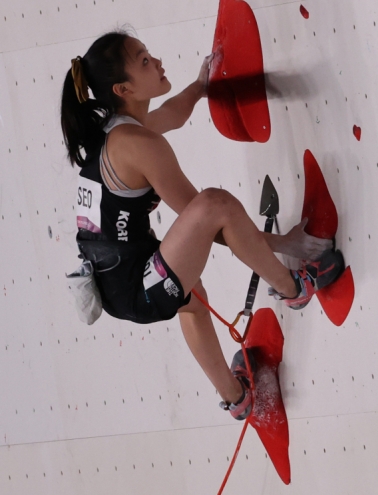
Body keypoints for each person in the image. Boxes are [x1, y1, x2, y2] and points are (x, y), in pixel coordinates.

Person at [61, 30, 344, 421]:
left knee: (192, 301)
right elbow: (211, 221)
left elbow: (170, 115)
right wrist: (287, 243)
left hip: (118, 282)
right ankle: (294, 287)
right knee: (215, 203)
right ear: (124, 88)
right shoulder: (139, 145)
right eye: (144, 60)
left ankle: (238, 399)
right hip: (132, 286)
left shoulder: (118, 129)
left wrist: (198, 87)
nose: (157, 61)